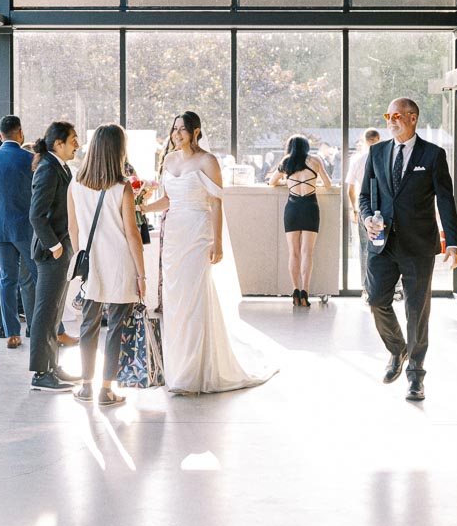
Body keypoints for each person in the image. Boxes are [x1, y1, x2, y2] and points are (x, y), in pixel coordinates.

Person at [142, 111, 274, 395]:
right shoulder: (169, 160)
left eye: (182, 129)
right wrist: (142, 207)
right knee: (175, 302)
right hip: (174, 236)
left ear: (196, 132)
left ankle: (193, 374)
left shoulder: (208, 161)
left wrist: (218, 242)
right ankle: (178, 369)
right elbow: (167, 199)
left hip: (198, 234)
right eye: (174, 129)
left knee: (194, 299)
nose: (177, 134)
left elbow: (215, 203)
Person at [358, 98, 457, 402]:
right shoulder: (377, 152)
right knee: (376, 300)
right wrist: (367, 218)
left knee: (416, 312)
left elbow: (445, 200)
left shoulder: (433, 154)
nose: (391, 121)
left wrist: (453, 242)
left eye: (397, 116)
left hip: (418, 246)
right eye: (388, 115)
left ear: (412, 118)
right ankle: (397, 349)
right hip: (382, 243)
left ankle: (416, 376)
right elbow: (365, 196)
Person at [66, 123, 147, 407]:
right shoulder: (122, 188)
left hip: (92, 264)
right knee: (116, 327)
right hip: (120, 264)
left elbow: (73, 228)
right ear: (118, 150)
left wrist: (82, 255)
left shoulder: (75, 184)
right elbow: (132, 235)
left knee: (88, 325)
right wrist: (142, 275)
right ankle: (107, 389)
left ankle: (86, 386)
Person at [28, 121, 83, 390]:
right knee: (46, 312)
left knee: (55, 312)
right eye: (73, 140)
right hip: (51, 252)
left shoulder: (60, 167)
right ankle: (41, 373)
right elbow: (36, 215)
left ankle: (52, 365)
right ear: (58, 143)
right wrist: (55, 246)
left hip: (61, 250)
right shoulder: (48, 169)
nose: (77, 145)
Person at [0, 116, 38, 351]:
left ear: (0, 135)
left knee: (5, 280)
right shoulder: (31, 158)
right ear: (20, 133)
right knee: (34, 278)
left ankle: (12, 333)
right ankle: (37, 326)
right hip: (25, 227)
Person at [267, 135, 332, 306]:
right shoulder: (315, 160)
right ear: (306, 146)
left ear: (290, 147)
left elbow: (272, 182)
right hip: (310, 207)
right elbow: (328, 183)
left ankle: (295, 290)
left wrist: (286, 182)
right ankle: (305, 292)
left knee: (293, 252)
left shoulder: (286, 161)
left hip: (293, 208)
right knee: (307, 253)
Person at [347, 128, 383, 297]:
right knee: (388, 246)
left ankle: (366, 288)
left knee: (365, 248)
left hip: (364, 208)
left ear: (364, 140)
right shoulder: (384, 158)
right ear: (379, 139)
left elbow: (350, 189)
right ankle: (391, 287)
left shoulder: (357, 160)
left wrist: (355, 209)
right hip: (383, 208)